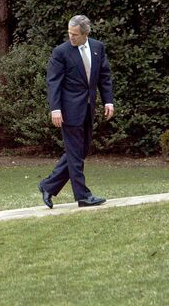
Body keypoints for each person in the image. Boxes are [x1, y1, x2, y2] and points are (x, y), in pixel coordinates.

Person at [38, 15, 114, 208]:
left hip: (88, 108)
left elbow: (104, 76)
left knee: (80, 151)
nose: (71, 37)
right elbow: (53, 82)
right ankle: (82, 196)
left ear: (85, 33)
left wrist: (108, 101)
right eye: (69, 33)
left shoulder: (97, 48)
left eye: (75, 34)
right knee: (75, 152)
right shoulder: (61, 52)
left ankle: (48, 185)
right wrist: (55, 109)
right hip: (68, 110)